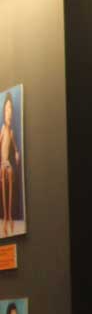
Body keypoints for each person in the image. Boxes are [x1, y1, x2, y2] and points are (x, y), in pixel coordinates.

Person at [1, 92, 19, 237]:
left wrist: (17, 154)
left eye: (11, 110)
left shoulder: (11, 132)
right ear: (3, 112)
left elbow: (15, 148)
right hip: (2, 163)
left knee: (10, 172)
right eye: (7, 110)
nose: (9, 113)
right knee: (3, 172)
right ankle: (6, 216)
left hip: (8, 163)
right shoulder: (2, 129)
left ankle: (10, 216)